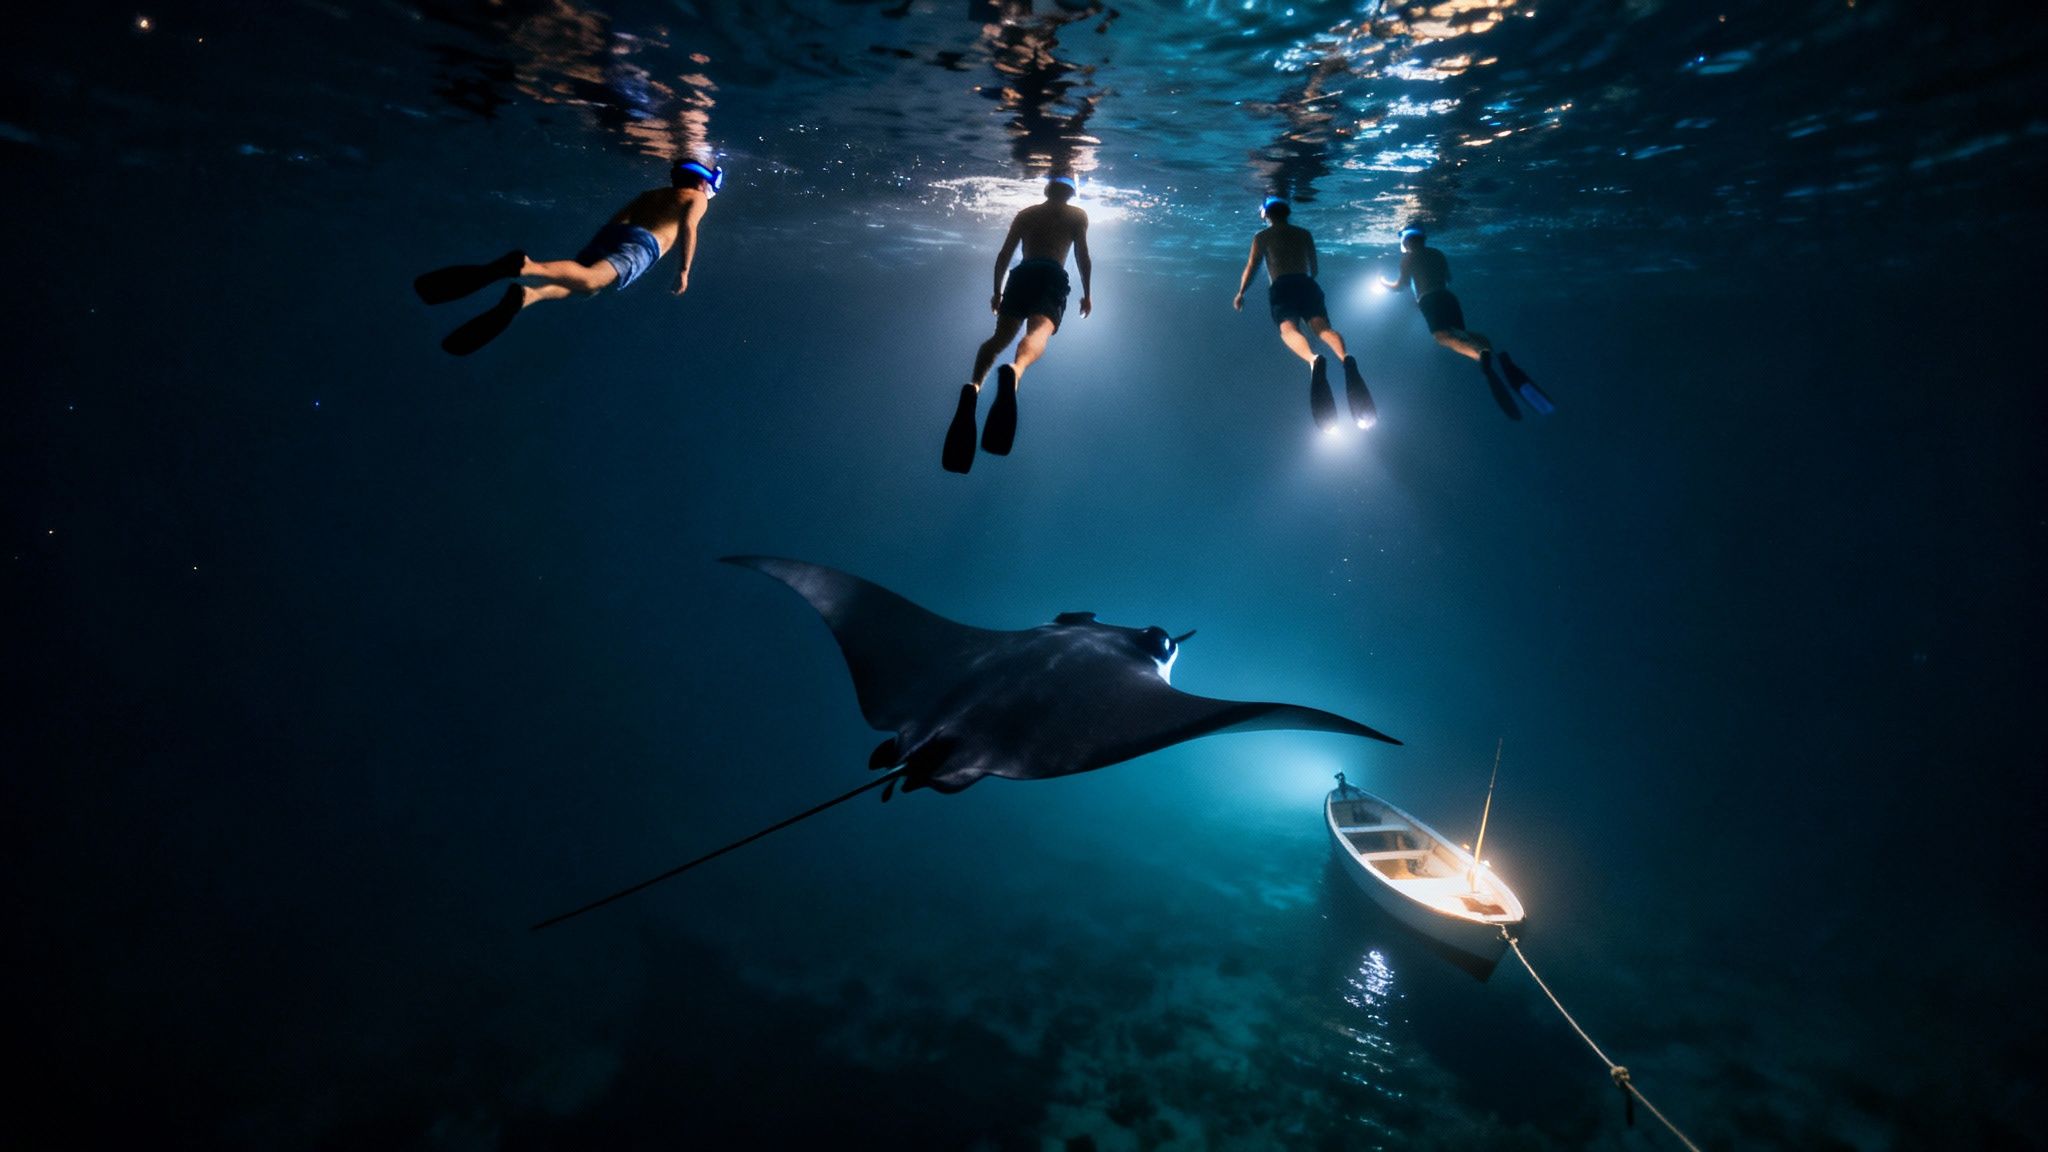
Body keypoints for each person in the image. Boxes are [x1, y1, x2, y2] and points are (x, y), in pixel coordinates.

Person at [413, 159, 722, 356]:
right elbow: (688, 228)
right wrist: (684, 270)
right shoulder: (697, 198)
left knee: (585, 287)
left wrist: (596, 246)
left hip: (613, 234)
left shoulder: (650, 194)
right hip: (643, 246)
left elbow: (617, 219)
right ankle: (525, 266)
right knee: (592, 280)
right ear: (701, 181)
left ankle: (528, 296)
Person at [943, 175, 1093, 474]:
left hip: (1021, 275)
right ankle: (1015, 371)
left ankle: (974, 386)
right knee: (1039, 331)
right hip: (1051, 276)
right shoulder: (1077, 215)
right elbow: (1082, 256)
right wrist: (1087, 294)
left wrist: (997, 291)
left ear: (1047, 187)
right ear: (1072, 191)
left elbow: (1004, 255)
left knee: (998, 338)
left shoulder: (1026, 214)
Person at [1233, 197, 1375, 433]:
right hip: (1306, 283)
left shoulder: (1262, 237)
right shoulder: (1303, 233)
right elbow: (1314, 267)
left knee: (1288, 328)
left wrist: (1241, 292)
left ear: (1267, 215)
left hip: (1281, 286)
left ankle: (1313, 359)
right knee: (1322, 328)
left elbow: (1252, 266)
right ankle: (1346, 358)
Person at [1382, 226, 1553, 418]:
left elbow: (1401, 285)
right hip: (1448, 297)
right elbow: (1447, 278)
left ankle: (1480, 355)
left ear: (1407, 241)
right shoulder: (1437, 253)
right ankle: (1489, 349)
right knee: (1460, 333)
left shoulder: (1408, 258)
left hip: (1430, 300)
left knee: (1442, 336)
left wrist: (1384, 283)